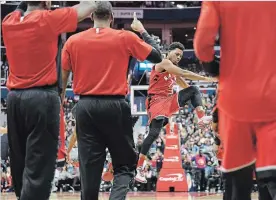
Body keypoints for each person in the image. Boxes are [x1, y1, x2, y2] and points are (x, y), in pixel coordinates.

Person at [61, 2, 162, 199]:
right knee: (124, 165)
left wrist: (60, 103)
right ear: (112, 18)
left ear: (91, 16)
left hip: (85, 107)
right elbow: (157, 57)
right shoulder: (125, 37)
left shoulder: (73, 41)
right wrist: (141, 30)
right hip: (115, 106)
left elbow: (62, 81)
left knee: (89, 171)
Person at [1, 1, 96, 199]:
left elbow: (19, 9)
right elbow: (89, 6)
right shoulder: (48, 19)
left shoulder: (8, 21)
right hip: (42, 99)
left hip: (14, 100)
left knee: (20, 166)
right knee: (39, 170)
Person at [194, 2, 276, 200]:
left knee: (238, 183)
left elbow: (203, 42)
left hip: (235, 100)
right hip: (272, 98)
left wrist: (212, 67)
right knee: (270, 175)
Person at [135, 41, 216, 183]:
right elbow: (184, 72)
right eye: (176, 54)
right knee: (154, 133)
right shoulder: (164, 62)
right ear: (169, 52)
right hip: (156, 101)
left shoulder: (173, 73)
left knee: (194, 90)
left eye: (180, 56)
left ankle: (202, 118)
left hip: (168, 101)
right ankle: (139, 167)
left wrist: (196, 102)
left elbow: (187, 87)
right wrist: (206, 79)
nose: (178, 57)